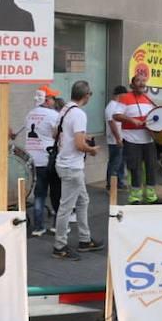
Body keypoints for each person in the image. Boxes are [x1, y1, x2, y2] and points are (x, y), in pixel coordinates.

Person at [51, 80, 103, 259]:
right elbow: (80, 145)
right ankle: (60, 246)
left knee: (83, 201)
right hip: (72, 166)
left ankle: (84, 239)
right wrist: (92, 150)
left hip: (63, 163)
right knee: (66, 207)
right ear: (86, 95)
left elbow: (55, 133)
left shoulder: (64, 109)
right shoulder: (79, 114)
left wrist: (79, 137)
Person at [113, 74, 159, 204]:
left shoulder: (148, 99)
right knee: (135, 168)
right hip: (131, 140)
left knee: (151, 168)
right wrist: (131, 120)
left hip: (148, 140)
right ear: (132, 85)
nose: (141, 83)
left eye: (143, 81)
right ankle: (134, 197)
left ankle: (151, 196)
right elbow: (116, 115)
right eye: (138, 81)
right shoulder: (124, 98)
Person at [23, 86, 62, 235]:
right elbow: (58, 135)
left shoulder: (29, 115)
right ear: (46, 100)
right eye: (52, 98)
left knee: (39, 194)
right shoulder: (53, 115)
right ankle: (57, 225)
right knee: (56, 193)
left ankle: (38, 227)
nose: (54, 100)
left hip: (33, 160)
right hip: (49, 159)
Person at [104, 84, 128, 192]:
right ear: (120, 94)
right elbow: (111, 123)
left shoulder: (117, 105)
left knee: (120, 162)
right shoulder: (112, 106)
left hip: (119, 138)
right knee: (114, 163)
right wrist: (118, 138)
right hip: (114, 140)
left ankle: (119, 182)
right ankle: (110, 185)